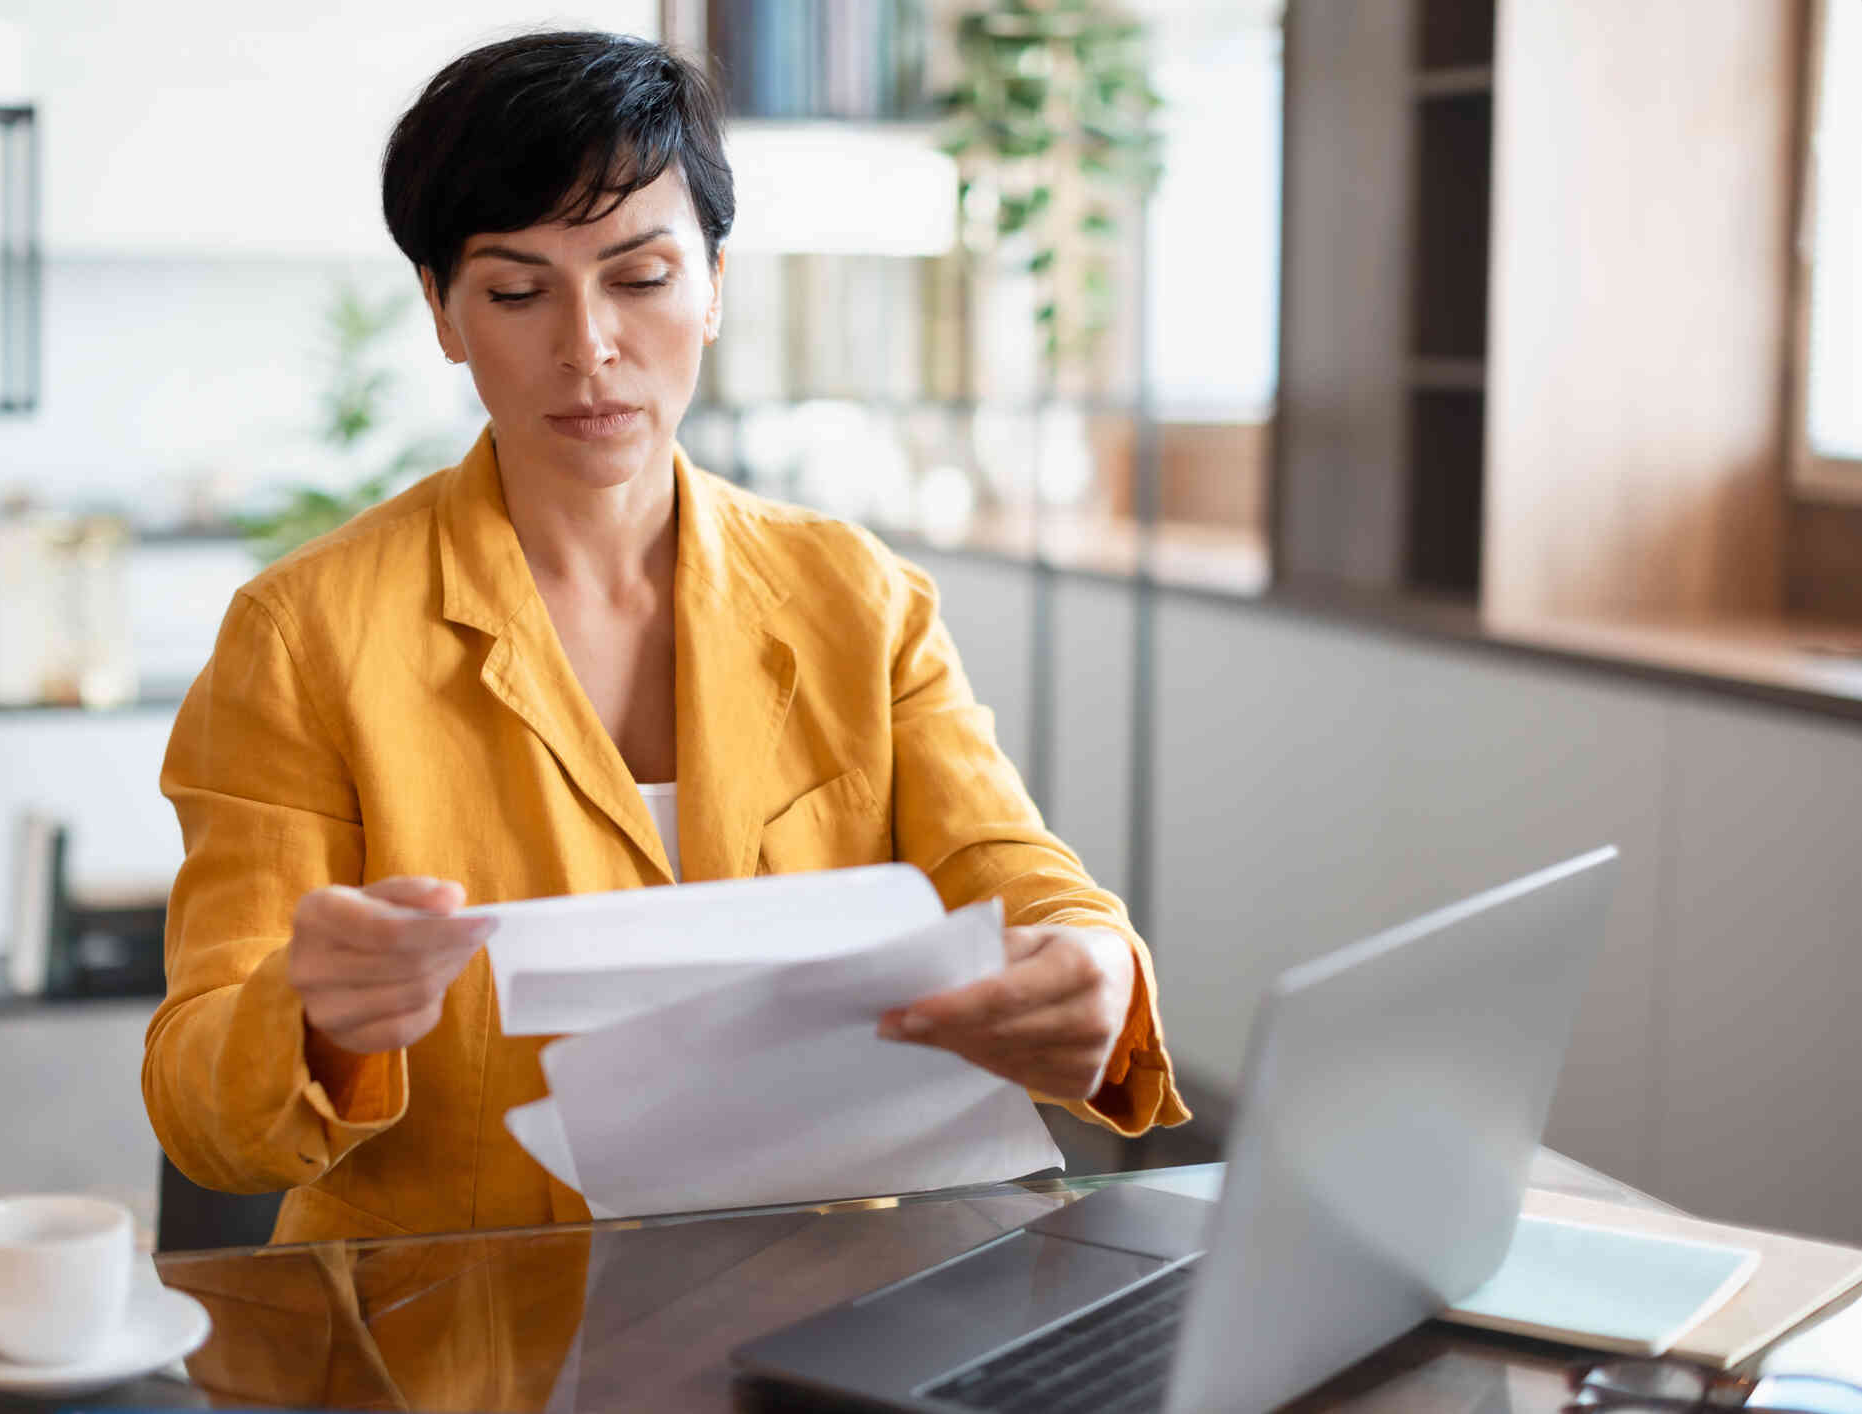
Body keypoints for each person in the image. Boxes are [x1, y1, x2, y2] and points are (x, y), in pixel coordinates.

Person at [144, 29, 1189, 1246]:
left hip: (819, 1292)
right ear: (442, 311)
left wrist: (1091, 960)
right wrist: (308, 1015)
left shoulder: (859, 597)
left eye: (640, 279)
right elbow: (201, 1107)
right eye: (518, 292)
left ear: (715, 285)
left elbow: (1005, 865)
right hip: (455, 1314)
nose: (587, 347)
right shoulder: (303, 638)